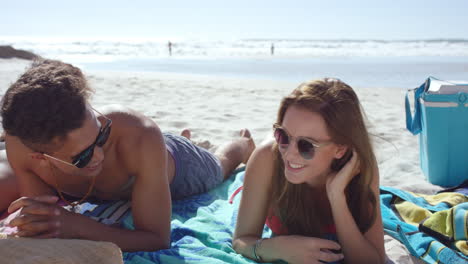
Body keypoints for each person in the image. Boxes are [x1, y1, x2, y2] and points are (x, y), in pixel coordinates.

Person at [0, 59, 255, 252]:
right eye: (83, 156)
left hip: (172, 163)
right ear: (40, 157)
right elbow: (44, 223)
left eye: (101, 134)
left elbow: (157, 239)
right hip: (140, 165)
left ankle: (242, 142)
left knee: (219, 167)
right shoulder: (21, 143)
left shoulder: (140, 136)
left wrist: (78, 226)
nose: (99, 155)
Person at [232, 78, 386, 264]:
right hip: (262, 160)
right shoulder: (268, 159)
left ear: (340, 149)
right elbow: (241, 241)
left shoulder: (361, 168)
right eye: (283, 136)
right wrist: (279, 247)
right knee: (244, 153)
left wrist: (337, 197)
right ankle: (244, 145)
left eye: (306, 146)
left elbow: (372, 261)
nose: (289, 154)